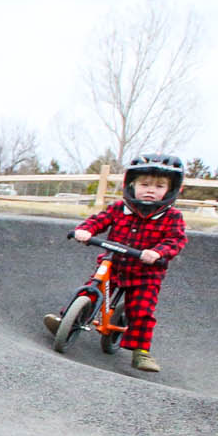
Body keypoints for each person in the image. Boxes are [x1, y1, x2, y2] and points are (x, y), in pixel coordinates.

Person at [45, 153, 189, 372]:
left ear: (170, 190)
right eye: (145, 184)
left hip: (145, 273)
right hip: (113, 263)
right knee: (90, 290)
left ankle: (141, 352)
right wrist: (85, 230)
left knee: (141, 310)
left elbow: (175, 240)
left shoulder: (172, 217)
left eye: (159, 186)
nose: (150, 190)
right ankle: (65, 321)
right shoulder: (119, 208)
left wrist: (157, 252)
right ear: (131, 184)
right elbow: (99, 220)